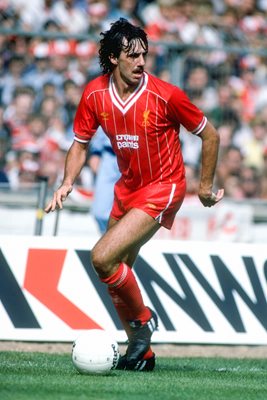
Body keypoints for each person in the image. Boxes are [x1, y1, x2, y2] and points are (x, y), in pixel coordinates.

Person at [45, 18, 224, 371]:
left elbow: (211, 135)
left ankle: (144, 321)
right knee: (117, 272)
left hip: (164, 186)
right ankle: (141, 353)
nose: (141, 62)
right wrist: (67, 181)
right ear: (114, 58)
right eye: (133, 56)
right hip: (127, 189)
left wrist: (203, 187)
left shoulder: (166, 94)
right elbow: (80, 144)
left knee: (101, 258)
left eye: (145, 55)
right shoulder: (95, 94)